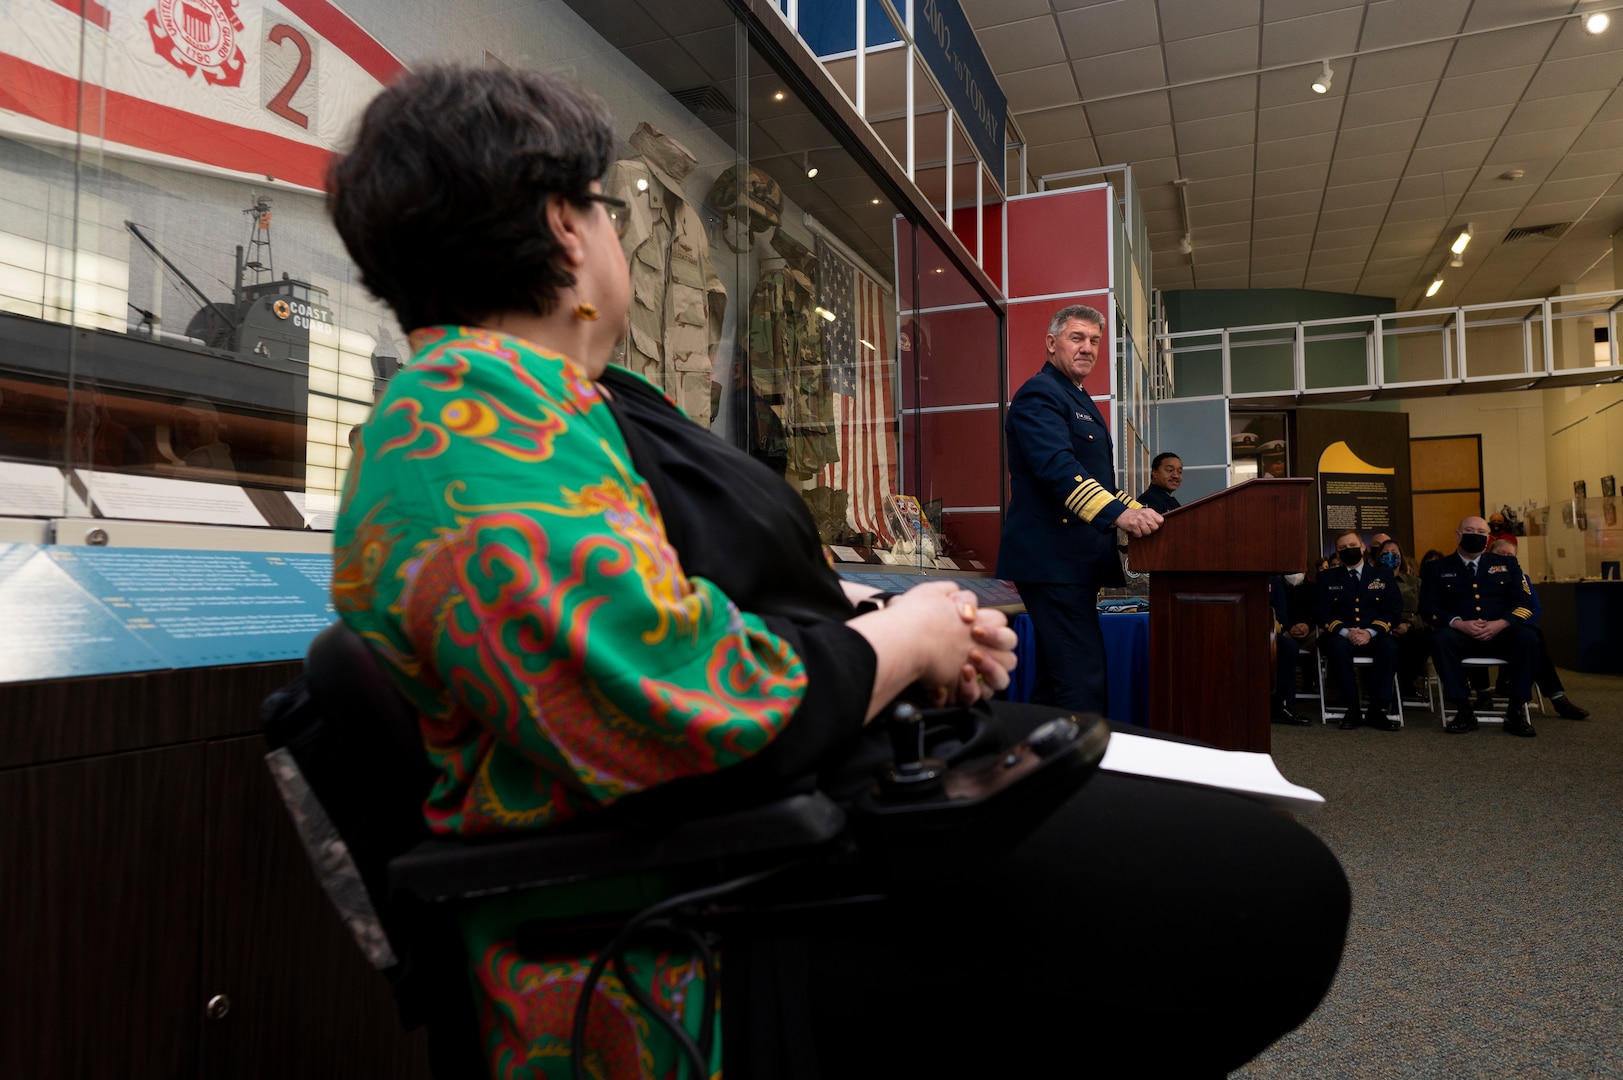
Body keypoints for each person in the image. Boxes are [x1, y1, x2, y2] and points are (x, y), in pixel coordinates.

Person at [327, 65, 1348, 1079]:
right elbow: (694, 709)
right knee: (1272, 895)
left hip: (741, 846)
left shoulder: (519, 405)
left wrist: (878, 623)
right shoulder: (475, 427)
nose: (618, 235)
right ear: (564, 228)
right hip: (698, 918)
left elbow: (670, 618)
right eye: (605, 208)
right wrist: (901, 642)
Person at [997, 304, 1163, 711]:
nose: (1087, 348)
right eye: (1077, 338)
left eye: (1094, 341)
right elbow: (1058, 469)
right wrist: (1120, 516)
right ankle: (1082, 768)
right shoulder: (1040, 393)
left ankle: (1039, 762)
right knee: (1081, 677)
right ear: (1052, 343)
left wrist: (1143, 511)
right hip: (1052, 560)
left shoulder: (1075, 396)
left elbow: (1098, 482)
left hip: (1071, 562)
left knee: (1061, 678)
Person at [1419, 516, 1539, 736]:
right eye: (1469, 530)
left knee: (1529, 638)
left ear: (1488, 538)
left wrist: (1501, 623)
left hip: (1501, 633)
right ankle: (1464, 710)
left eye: (1481, 532)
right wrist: (1458, 623)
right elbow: (1427, 608)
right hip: (1461, 636)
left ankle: (1515, 712)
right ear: (1458, 535)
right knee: (1439, 639)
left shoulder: (1507, 564)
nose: (1475, 535)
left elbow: (1525, 603)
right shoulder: (1437, 568)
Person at [1486, 538, 1588, 719]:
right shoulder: (1479, 578)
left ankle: (1514, 688)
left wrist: (1511, 621)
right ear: (1489, 554)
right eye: (1500, 553)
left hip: (1518, 630)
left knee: (1532, 638)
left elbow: (1534, 610)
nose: (1505, 558)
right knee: (1534, 639)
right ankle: (1557, 698)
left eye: (1510, 555)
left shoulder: (1522, 578)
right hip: (1489, 632)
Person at [1315, 531, 1402, 731]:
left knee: (1390, 647)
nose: (1349, 550)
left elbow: (1393, 610)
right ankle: (1351, 707)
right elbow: (1321, 612)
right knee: (1336, 646)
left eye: (1352, 545)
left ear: (1363, 547)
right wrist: (1347, 632)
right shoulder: (1326, 578)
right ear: (1336, 552)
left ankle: (1377, 709)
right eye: (1343, 548)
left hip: (1373, 634)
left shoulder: (1383, 575)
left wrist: (1369, 632)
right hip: (1340, 635)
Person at [1376, 539, 1431, 702]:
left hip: (1411, 629)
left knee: (1425, 640)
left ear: (1401, 556)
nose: (1390, 555)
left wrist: (1409, 625)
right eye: (1385, 553)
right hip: (1383, 629)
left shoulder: (1415, 582)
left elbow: (1426, 611)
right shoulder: (1371, 580)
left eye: (1394, 552)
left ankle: (1404, 684)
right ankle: (1389, 691)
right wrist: (1387, 626)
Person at [1270, 574, 1309, 724]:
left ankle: (1281, 705)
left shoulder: (1273, 581)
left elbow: (1281, 617)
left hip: (1267, 633)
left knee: (1289, 647)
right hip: (1238, 632)